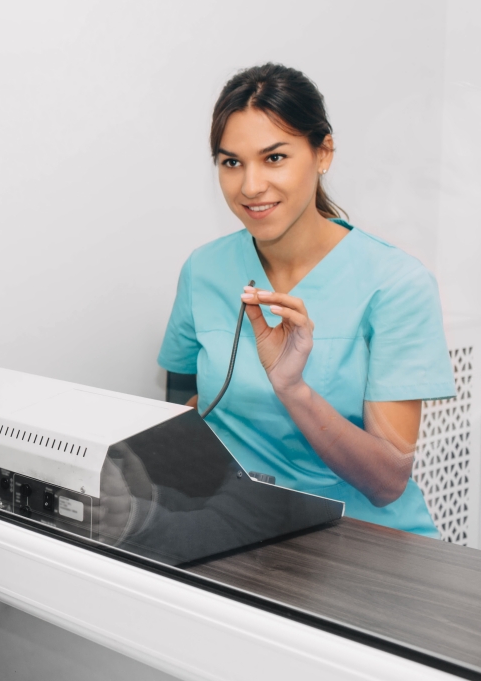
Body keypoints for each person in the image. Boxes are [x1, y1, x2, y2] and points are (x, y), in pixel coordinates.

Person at [158, 63, 454, 537]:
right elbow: (178, 409)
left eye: (274, 158)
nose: (250, 186)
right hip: (242, 529)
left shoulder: (396, 284)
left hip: (365, 545)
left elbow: (387, 483)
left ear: (323, 153)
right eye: (231, 162)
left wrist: (293, 390)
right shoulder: (203, 269)